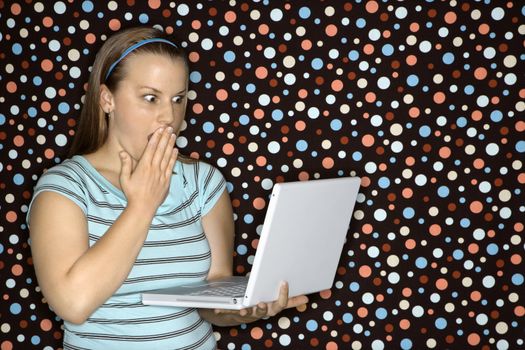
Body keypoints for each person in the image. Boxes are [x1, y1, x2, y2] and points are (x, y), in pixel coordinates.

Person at [27, 26, 308, 350]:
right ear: (107, 99)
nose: (169, 116)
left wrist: (245, 307)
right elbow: (73, 304)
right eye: (150, 98)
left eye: (178, 99)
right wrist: (142, 204)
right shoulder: (63, 188)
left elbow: (212, 296)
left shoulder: (203, 182)